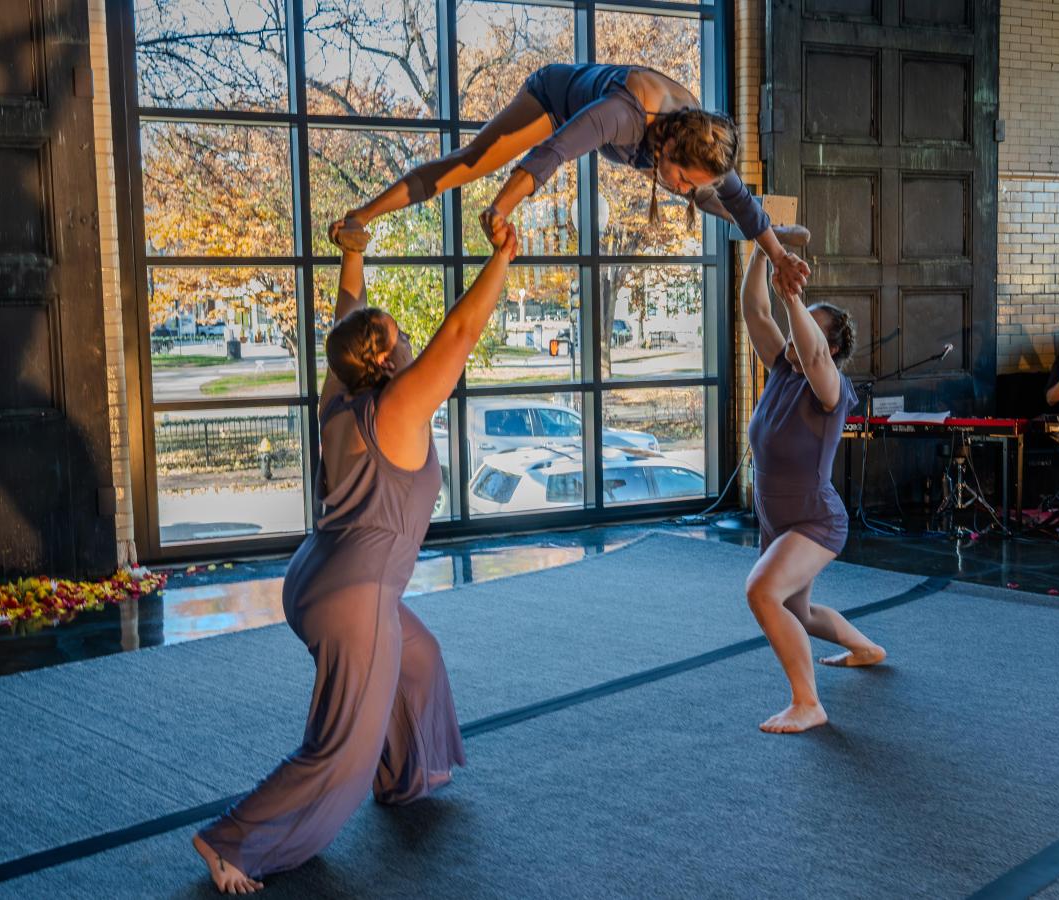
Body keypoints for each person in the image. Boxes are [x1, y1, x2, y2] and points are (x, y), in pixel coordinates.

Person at [191, 218, 521, 893]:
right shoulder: (397, 410)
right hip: (355, 595)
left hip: (314, 576)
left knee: (418, 659)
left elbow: (346, 319)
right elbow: (459, 335)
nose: (407, 343)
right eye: (399, 337)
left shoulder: (339, 394)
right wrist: (502, 258)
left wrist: (352, 253)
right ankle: (230, 841)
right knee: (341, 747)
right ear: (385, 361)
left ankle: (406, 779)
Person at [328, 62, 811, 298]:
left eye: (686, 182)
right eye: (680, 178)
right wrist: (501, 208)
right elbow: (552, 152)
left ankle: (773, 237)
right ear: (665, 148)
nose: (680, 187)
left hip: (676, 157)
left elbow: (737, 198)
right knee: (472, 160)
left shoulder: (701, 145)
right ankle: (361, 214)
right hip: (554, 100)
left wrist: (779, 256)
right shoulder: (623, 116)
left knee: (717, 199)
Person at [739, 246, 885, 735]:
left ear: (833, 348)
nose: (799, 332)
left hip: (814, 520)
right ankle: (867, 649)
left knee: (762, 593)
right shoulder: (783, 367)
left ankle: (807, 703)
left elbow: (813, 350)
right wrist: (765, 249)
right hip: (777, 520)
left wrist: (793, 298)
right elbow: (755, 309)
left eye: (810, 324)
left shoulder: (831, 387)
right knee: (798, 611)